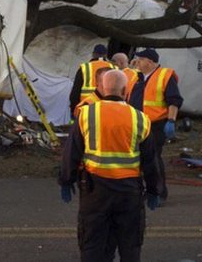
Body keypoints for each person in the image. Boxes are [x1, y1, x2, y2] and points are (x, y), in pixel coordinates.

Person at [59, 70, 160, 262]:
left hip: (95, 189)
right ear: (125, 90)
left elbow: (72, 151)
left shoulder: (87, 114)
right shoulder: (140, 118)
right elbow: (150, 159)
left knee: (93, 243)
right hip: (129, 191)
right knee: (129, 245)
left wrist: (66, 179)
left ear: (103, 89)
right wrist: (155, 189)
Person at [127, 48, 183, 202]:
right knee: (136, 159)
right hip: (136, 124)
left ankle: (158, 193)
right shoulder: (136, 77)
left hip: (156, 124)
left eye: (140, 59)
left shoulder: (165, 76)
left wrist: (171, 121)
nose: (137, 62)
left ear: (150, 62)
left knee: (153, 159)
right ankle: (141, 190)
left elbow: (174, 100)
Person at [69, 44, 116, 115]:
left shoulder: (85, 68)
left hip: (85, 109)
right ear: (105, 55)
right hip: (107, 110)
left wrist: (73, 110)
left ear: (93, 54)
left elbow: (75, 92)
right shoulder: (115, 68)